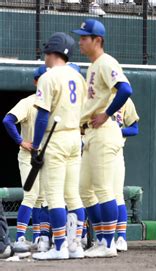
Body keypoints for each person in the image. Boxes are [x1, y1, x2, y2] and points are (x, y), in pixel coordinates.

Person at [72, 19, 133, 258]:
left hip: (104, 132)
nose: (80, 42)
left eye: (84, 38)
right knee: (85, 189)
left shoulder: (106, 62)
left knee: (104, 190)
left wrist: (106, 114)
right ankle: (101, 239)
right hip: (90, 133)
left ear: (98, 40)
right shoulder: (94, 65)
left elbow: (126, 89)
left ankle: (108, 243)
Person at [30, 32, 88, 260]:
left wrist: (35, 146)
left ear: (51, 51)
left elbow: (43, 116)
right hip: (75, 136)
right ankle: (75, 246)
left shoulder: (48, 76)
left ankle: (60, 246)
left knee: (54, 195)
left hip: (54, 138)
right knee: (73, 194)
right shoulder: (78, 76)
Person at [2, 65, 50, 253]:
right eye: (42, 79)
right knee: (31, 195)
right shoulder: (28, 102)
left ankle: (38, 238)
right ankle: (20, 236)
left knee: (42, 198)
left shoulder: (53, 102)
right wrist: (21, 141)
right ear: (36, 81)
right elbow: (8, 120)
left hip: (47, 156)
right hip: (29, 157)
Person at [113, 98, 140, 252]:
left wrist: (117, 130)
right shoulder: (93, 93)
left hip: (116, 151)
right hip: (93, 150)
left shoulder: (125, 99)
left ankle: (122, 237)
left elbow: (134, 128)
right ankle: (87, 236)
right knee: (89, 196)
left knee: (117, 195)